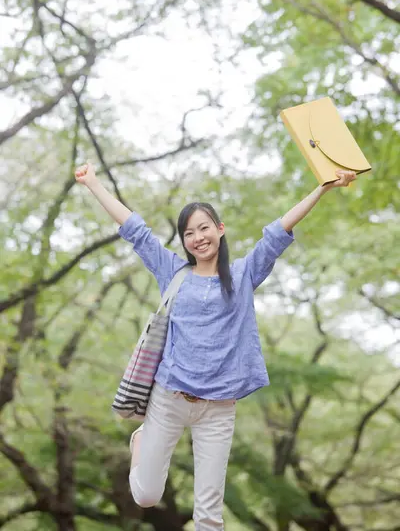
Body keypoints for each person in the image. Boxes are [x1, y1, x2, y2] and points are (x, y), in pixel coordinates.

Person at [75, 162, 355, 530]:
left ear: (220, 230)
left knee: (209, 514)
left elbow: (277, 231)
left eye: (204, 227)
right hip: (169, 399)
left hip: (218, 408)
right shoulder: (172, 272)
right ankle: (140, 439)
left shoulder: (242, 276)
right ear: (184, 242)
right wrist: (94, 183)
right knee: (146, 497)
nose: (197, 237)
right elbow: (135, 230)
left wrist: (322, 188)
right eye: (188, 233)